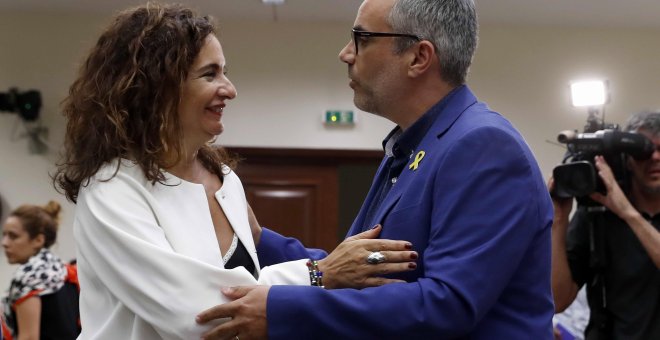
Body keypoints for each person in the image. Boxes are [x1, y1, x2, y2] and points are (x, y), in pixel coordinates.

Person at [51, 2, 417, 339]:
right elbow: (202, 314)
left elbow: (250, 294)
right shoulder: (112, 189)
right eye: (210, 74)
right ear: (156, 87)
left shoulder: (225, 179)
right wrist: (320, 273)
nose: (230, 89)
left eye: (225, 73)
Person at [196, 0, 555, 339]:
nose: (346, 53)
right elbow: (363, 272)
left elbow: (448, 303)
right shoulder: (411, 146)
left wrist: (282, 309)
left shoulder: (484, 146)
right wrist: (260, 240)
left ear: (418, 57)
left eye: (362, 38)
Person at [550, 110, 660, 340]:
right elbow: (557, 301)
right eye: (645, 151)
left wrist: (628, 213)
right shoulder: (596, 215)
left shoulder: (621, 212)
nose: (655, 158)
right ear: (627, 160)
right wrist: (559, 220)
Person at [1, 201, 80, 340]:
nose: (5, 243)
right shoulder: (65, 273)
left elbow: (29, 337)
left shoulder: (29, 277)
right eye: (4, 235)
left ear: (38, 240)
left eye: (13, 236)